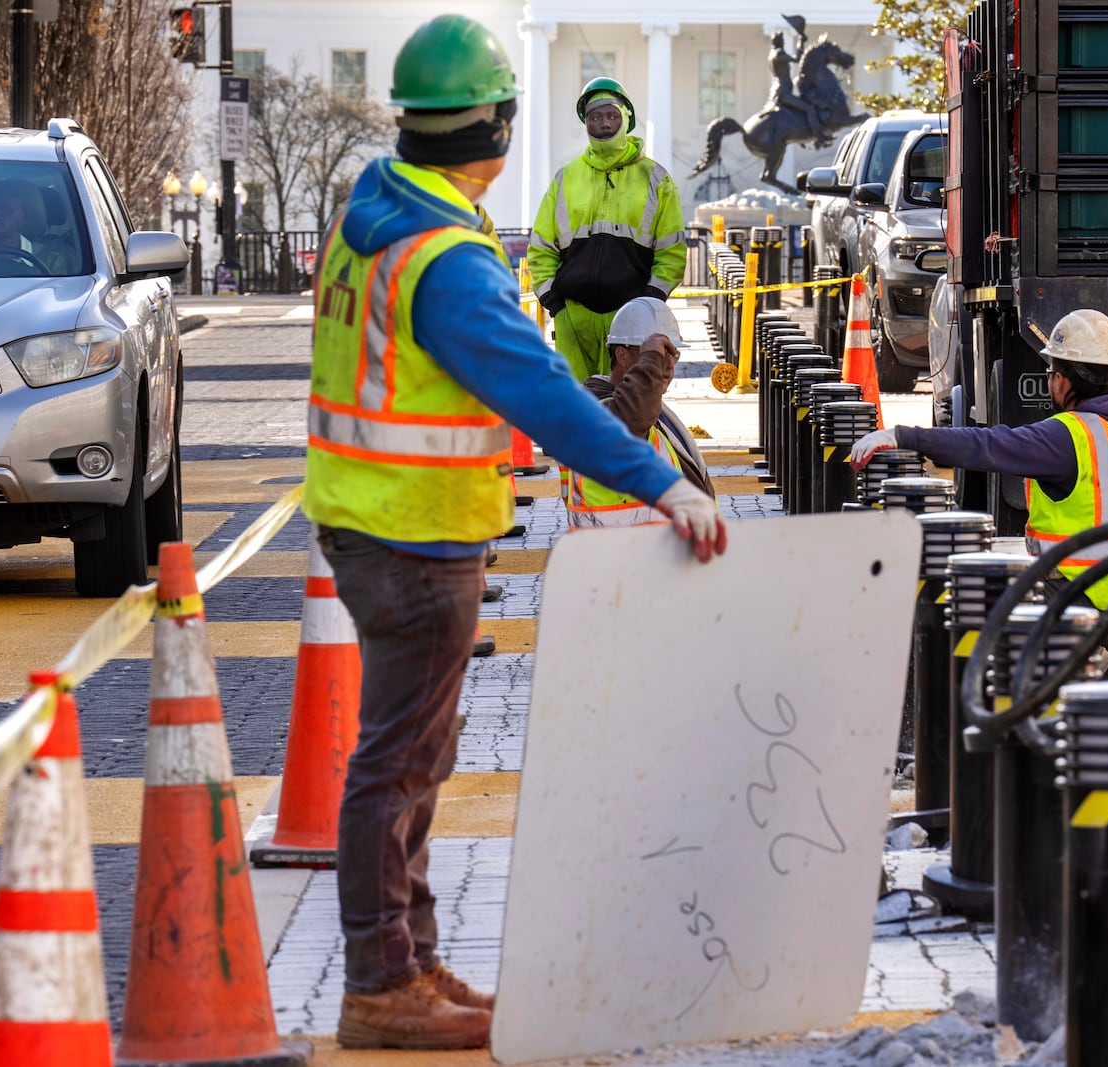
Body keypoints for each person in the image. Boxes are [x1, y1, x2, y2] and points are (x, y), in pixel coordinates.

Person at [303, 15, 727, 1051]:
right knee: (399, 760)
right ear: (495, 125)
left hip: (378, 521)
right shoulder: (447, 259)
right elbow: (541, 393)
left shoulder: (380, 213)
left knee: (417, 753)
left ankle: (409, 959)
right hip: (412, 534)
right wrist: (662, 483)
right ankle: (378, 980)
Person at [849, 309, 1108, 680]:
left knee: (974, 603)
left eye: (1050, 374)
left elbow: (988, 444)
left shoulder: (1069, 436)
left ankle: (1068, 668)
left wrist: (904, 436)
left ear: (1062, 381)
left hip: (1074, 593)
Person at [527, 77, 687, 381]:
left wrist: (649, 301)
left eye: (612, 115)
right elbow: (541, 247)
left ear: (627, 118)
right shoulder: (567, 177)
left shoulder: (654, 178)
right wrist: (555, 304)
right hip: (573, 318)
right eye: (595, 117)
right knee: (575, 409)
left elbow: (672, 250)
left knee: (630, 407)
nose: (604, 124)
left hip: (631, 319)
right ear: (586, 122)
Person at [567, 296, 716, 528]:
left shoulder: (651, 406)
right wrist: (651, 363)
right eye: (655, 354)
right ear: (622, 355)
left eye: (672, 353)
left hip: (654, 551)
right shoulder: (599, 411)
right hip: (623, 552)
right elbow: (630, 420)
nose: (667, 365)